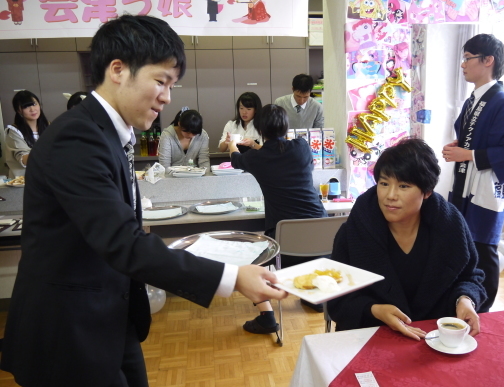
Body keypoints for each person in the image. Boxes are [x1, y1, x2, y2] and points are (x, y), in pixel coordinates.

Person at [0, 15, 286, 387]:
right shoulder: (77, 137)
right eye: (161, 81)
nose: (168, 96)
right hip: (69, 329)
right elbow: (121, 241)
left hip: (110, 314)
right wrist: (231, 277)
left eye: (172, 84)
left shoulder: (109, 132)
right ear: (118, 70)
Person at [327, 138, 486, 339]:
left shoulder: (450, 226)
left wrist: (464, 300)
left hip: (434, 338)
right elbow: (336, 299)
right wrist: (375, 310)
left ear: (426, 191)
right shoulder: (354, 231)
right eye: (384, 183)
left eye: (403, 186)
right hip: (371, 338)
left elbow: (470, 276)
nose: (390, 195)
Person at [442, 34, 504, 313]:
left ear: (488, 60)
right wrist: (460, 146)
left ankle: (484, 310)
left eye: (468, 59)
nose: (463, 65)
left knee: (484, 247)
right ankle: (462, 301)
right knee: (461, 242)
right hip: (464, 182)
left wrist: (469, 154)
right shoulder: (472, 101)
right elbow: (472, 138)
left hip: (486, 187)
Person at [228, 104, 328, 334]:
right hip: (322, 241)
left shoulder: (257, 158)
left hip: (285, 249)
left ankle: (267, 317)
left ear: (260, 129)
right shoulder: (302, 147)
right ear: (286, 125)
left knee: (250, 256)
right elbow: (281, 154)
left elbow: (235, 158)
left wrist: (232, 142)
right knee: (305, 243)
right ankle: (316, 298)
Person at [4, 90, 49, 178]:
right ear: (19, 110)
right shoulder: (14, 131)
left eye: (34, 104)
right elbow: (23, 159)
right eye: (26, 106)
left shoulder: (49, 127)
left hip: (47, 179)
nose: (32, 109)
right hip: (24, 181)